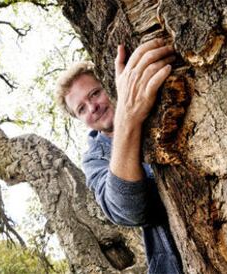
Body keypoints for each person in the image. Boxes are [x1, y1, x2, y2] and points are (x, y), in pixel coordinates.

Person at [55, 38, 183, 273]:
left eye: (94, 93)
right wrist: (128, 117)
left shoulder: (158, 103)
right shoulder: (94, 160)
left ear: (111, 83)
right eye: (81, 109)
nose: (92, 107)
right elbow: (128, 211)